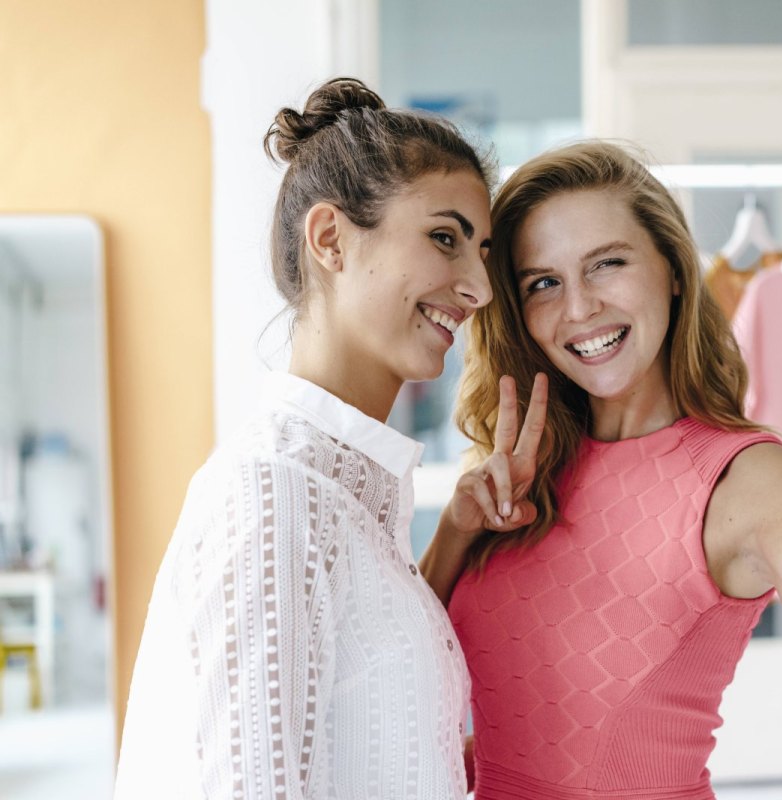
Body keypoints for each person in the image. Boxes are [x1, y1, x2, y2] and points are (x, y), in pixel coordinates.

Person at [424, 141, 782, 800]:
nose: (578, 308)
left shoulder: (751, 482)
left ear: (674, 270)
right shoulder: (526, 465)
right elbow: (439, 673)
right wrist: (457, 528)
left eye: (608, 264)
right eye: (544, 282)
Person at [115, 77, 500, 800]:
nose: (478, 286)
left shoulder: (344, 497)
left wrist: (453, 541)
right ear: (329, 239)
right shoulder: (274, 494)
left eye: (481, 250)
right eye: (445, 238)